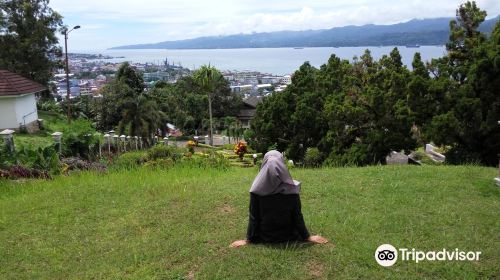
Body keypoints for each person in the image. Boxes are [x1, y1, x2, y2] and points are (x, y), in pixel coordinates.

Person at [230, 150, 328, 248]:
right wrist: (307, 236)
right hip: (289, 235)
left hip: (265, 237)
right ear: (282, 165)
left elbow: (254, 218)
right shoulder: (292, 189)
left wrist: (248, 239)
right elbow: (297, 216)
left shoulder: (256, 190)